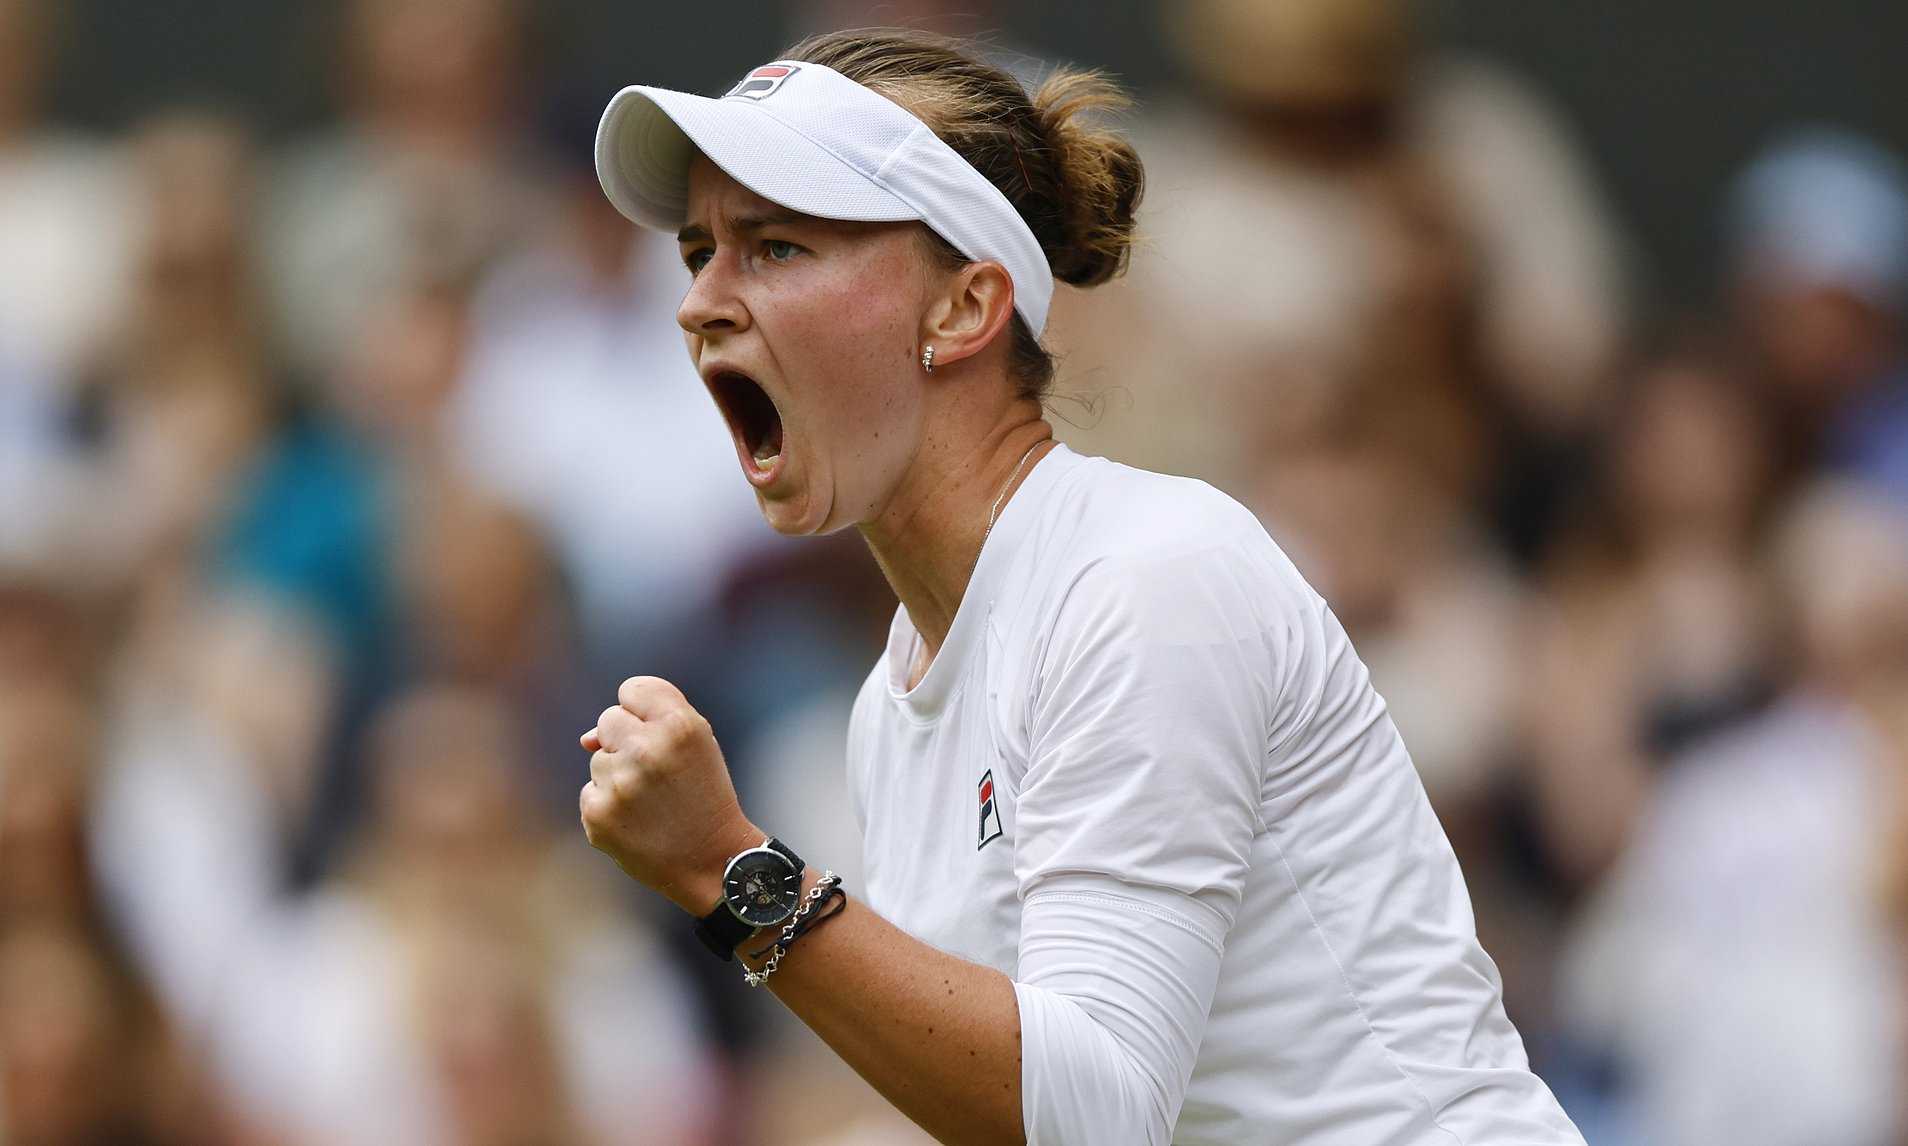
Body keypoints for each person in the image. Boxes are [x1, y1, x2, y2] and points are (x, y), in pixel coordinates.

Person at [579, 28, 1586, 1145]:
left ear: (962, 310)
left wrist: (734, 870)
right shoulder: (888, 708)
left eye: (772, 249)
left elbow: (1088, 1112)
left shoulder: (1146, 577)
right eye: (696, 253)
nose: (700, 302)